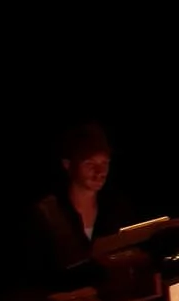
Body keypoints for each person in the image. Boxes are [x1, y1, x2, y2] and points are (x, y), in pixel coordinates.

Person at [24, 121, 136, 291]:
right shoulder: (47, 213)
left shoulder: (116, 208)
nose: (100, 172)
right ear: (67, 165)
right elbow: (32, 278)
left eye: (104, 163)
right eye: (90, 164)